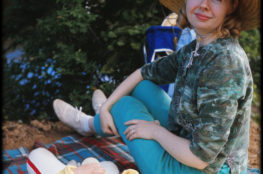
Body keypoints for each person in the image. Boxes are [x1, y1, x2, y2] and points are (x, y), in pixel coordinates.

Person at [53, 0, 260, 173]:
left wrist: (155, 132)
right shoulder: (197, 49)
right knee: (142, 87)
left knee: (124, 105)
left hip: (204, 168)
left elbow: (201, 157)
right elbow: (143, 73)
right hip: (188, 139)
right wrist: (107, 107)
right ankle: (97, 119)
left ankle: (94, 122)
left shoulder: (225, 64)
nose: (203, 4)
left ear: (231, 6)